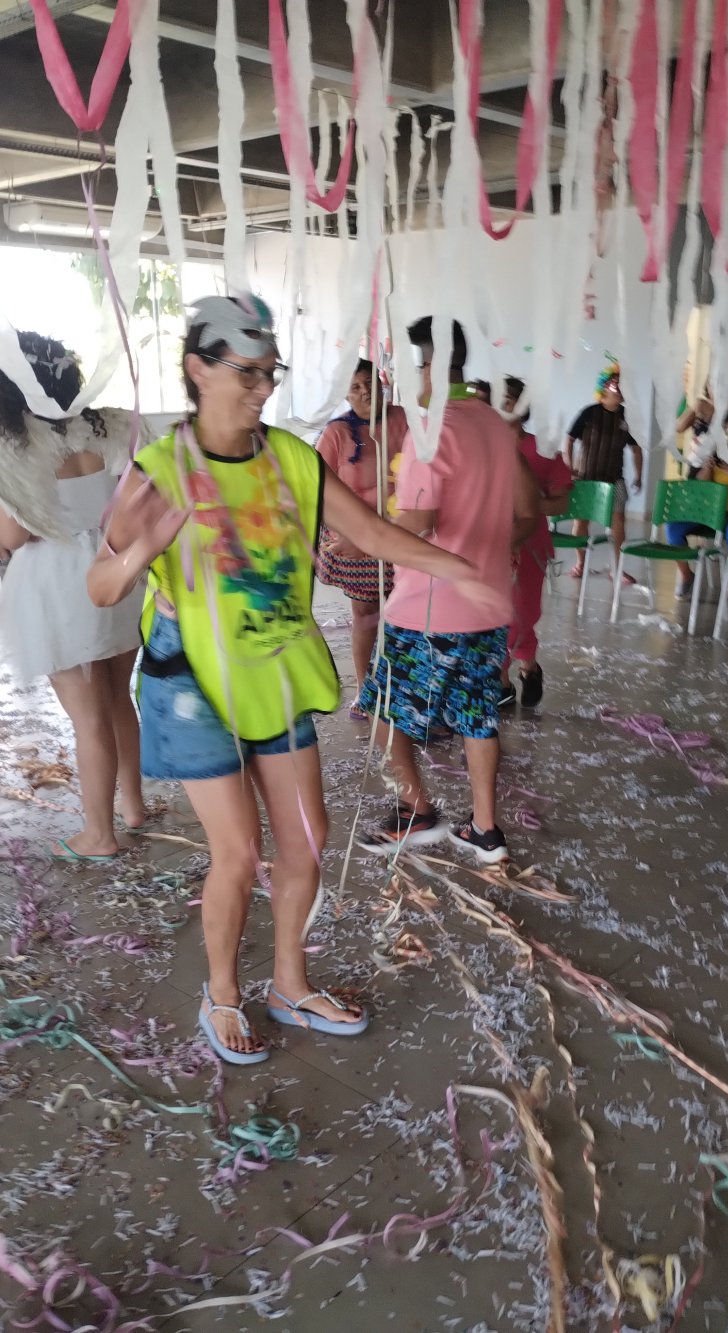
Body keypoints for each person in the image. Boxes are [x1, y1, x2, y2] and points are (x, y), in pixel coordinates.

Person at [88, 294, 483, 1065]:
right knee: (238, 851)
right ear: (199, 368)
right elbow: (101, 586)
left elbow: (365, 531)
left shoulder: (292, 458)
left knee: (308, 838)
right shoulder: (159, 468)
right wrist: (142, 553)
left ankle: (289, 983)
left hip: (277, 670)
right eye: (248, 371)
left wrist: (459, 568)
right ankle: (222, 991)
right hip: (193, 682)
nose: (264, 387)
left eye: (272, 372)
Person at [358, 317, 539, 865]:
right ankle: (485, 830)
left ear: (429, 366)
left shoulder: (432, 428)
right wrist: (483, 552)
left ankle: (418, 811)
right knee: (479, 716)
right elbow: (529, 515)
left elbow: (419, 520)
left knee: (383, 707)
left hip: (428, 606)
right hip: (487, 602)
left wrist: (358, 534)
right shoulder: (493, 423)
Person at [0, 332, 146, 860]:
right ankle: (132, 804)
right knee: (117, 698)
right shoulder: (107, 428)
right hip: (116, 571)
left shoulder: (18, 447)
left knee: (87, 718)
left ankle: (98, 833)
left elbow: (12, 535)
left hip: (59, 586)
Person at [316, 360, 407, 719]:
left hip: (404, 534)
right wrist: (344, 534)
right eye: (354, 387)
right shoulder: (336, 434)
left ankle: (403, 689)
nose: (364, 391)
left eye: (369, 382)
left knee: (405, 615)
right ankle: (365, 687)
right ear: (345, 393)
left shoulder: (405, 420)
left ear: (384, 383)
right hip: (357, 538)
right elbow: (316, 489)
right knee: (366, 615)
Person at [499, 377, 572, 709]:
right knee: (495, 613)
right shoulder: (479, 446)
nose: (502, 404)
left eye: (509, 398)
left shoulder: (542, 449)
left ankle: (522, 668)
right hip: (489, 543)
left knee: (523, 612)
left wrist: (525, 504)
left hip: (530, 544)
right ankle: (504, 679)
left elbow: (560, 503)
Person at [563, 363, 643, 584]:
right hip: (586, 477)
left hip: (614, 479)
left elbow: (636, 448)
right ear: (604, 388)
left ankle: (617, 568)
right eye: (614, 384)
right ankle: (580, 563)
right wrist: (569, 466)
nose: (618, 389)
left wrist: (639, 474)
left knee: (618, 520)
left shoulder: (628, 417)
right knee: (581, 522)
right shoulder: (589, 413)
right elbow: (568, 440)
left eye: (622, 385)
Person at [667, 405, 728, 603]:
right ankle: (687, 576)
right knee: (673, 527)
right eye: (727, 432)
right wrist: (707, 468)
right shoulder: (718, 450)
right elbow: (702, 484)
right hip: (712, 511)